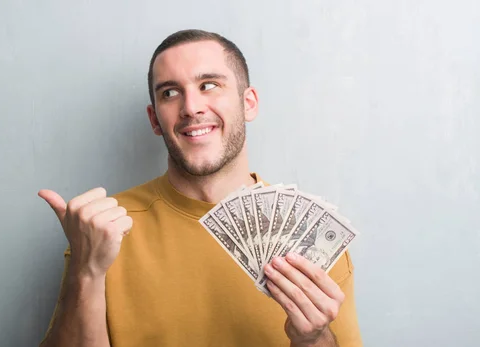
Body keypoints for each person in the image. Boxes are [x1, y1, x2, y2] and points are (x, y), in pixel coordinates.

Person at [37, 29, 363, 347]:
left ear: (248, 103)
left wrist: (313, 338)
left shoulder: (314, 238)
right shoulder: (102, 232)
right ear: (154, 120)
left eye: (209, 85)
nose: (191, 107)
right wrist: (87, 272)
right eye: (170, 93)